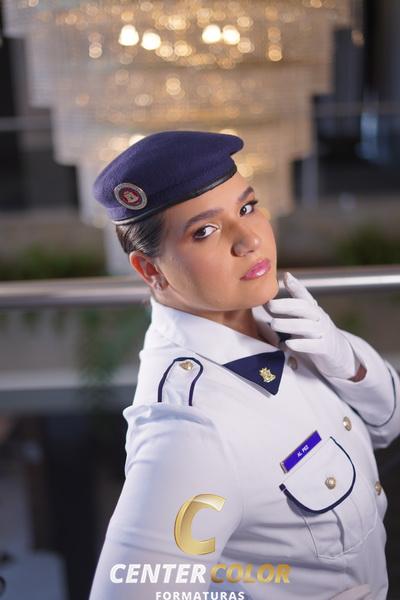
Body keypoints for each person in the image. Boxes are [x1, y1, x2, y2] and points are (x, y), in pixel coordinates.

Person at [89, 130, 400, 600]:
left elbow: (387, 424)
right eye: (205, 231)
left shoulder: (275, 316)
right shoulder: (190, 430)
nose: (250, 239)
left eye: (248, 207)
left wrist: (348, 363)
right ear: (151, 270)